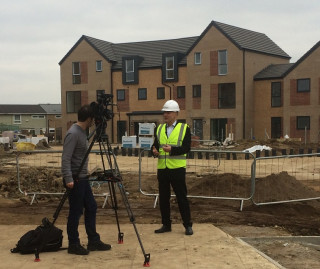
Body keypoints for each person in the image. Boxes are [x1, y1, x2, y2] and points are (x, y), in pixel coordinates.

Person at [61, 104, 111, 255]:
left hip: (83, 178)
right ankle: (73, 244)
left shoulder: (82, 132)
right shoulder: (73, 133)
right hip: (75, 179)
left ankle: (93, 240)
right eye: (92, 119)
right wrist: (68, 178)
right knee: (75, 212)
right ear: (89, 119)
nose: (93, 122)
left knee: (91, 207)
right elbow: (65, 158)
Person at [152, 100, 193, 235]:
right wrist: (154, 151)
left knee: (181, 197)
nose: (165, 114)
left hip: (177, 169)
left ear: (176, 114)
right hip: (163, 169)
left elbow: (186, 148)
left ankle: (187, 225)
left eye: (168, 112)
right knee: (164, 198)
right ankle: (166, 224)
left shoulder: (184, 128)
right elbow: (155, 146)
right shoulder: (158, 129)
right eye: (164, 112)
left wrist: (172, 150)